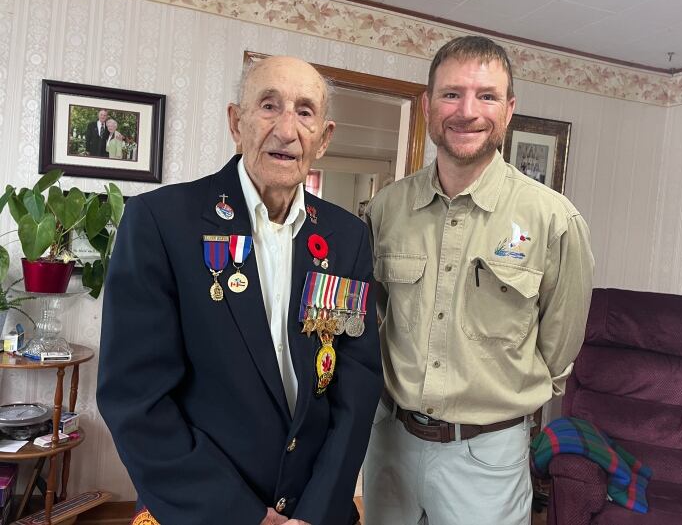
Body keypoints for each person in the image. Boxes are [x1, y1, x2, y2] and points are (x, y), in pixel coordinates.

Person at [98, 56, 383, 525]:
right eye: (269, 106)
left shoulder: (346, 237)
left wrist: (316, 510)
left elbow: (356, 388)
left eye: (305, 112)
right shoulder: (161, 221)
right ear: (237, 121)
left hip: (317, 510)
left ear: (325, 137)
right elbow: (135, 400)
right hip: (204, 508)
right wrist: (243, 515)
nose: (287, 129)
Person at [363, 36, 595, 525]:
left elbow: (558, 348)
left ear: (508, 110)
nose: (467, 111)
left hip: (487, 455)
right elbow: (374, 315)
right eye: (451, 94)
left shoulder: (554, 220)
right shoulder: (387, 207)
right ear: (427, 106)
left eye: (486, 96)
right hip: (390, 442)